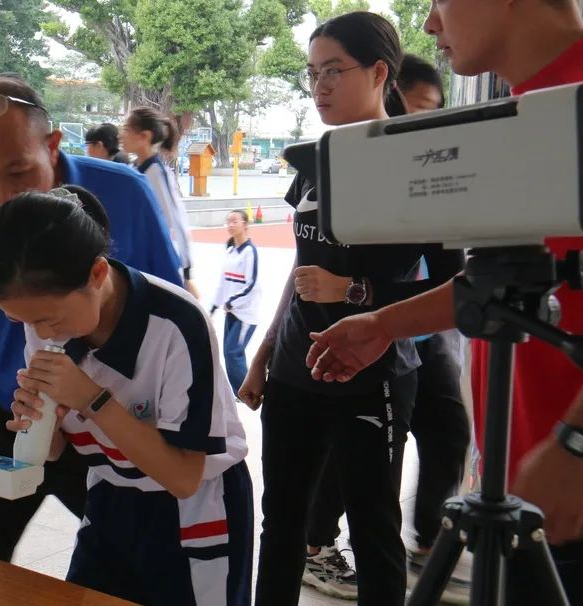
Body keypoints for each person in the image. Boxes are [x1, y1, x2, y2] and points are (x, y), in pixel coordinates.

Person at [304, 0, 583, 599]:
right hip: (532, 477)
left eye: (440, 3)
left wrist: (575, 446)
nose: (431, 24)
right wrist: (384, 323)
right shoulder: (524, 112)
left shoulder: (572, 107)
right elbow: (513, 279)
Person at [0, 76, 182, 563]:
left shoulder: (123, 193)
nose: (0, 196)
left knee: (135, 566)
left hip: (107, 422)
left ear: (51, 145)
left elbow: (168, 308)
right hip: (12, 413)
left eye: (19, 172)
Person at [0, 187, 252, 605]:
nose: (42, 333)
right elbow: (53, 452)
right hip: (110, 496)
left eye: (49, 318)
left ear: (97, 274)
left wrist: (92, 399)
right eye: (22, 321)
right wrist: (39, 419)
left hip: (194, 511)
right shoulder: (44, 320)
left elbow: (182, 477)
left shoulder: (176, 324)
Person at [238, 13, 431, 605]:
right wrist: (264, 354)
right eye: (312, 73)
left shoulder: (414, 163)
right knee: (282, 525)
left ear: (379, 73)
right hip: (298, 369)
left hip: (372, 372)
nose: (319, 86)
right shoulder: (312, 160)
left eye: (333, 71)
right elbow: (302, 279)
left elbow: (444, 291)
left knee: (374, 529)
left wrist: (352, 292)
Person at [298, 53, 471, 602]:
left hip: (416, 340)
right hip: (346, 346)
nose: (421, 125)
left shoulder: (431, 171)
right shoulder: (330, 165)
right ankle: (316, 541)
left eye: (432, 113)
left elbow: (457, 281)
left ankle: (430, 542)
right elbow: (309, 273)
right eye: (415, 111)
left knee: (442, 437)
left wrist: (359, 297)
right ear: (387, 90)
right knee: (344, 468)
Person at [120, 108, 196, 296]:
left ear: (144, 136)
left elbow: (174, 222)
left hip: (154, 265)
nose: (121, 135)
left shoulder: (155, 173)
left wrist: (186, 272)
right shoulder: (134, 168)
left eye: (127, 129)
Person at [211, 210, 261, 398]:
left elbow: (252, 284)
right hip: (231, 312)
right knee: (228, 352)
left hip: (246, 313)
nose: (231, 225)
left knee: (233, 352)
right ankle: (239, 393)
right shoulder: (230, 251)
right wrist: (213, 307)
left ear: (245, 224)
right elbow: (223, 284)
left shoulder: (250, 251)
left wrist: (232, 302)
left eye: (235, 221)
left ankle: (245, 392)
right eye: (228, 221)